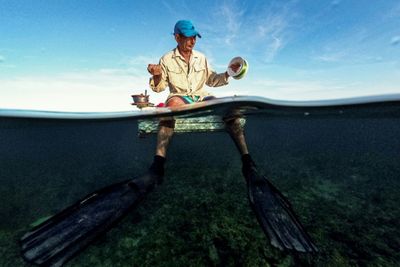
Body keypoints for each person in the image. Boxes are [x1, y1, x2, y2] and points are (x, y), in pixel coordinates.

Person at [146, 20, 254, 178]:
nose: (193, 41)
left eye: (195, 37)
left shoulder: (201, 58)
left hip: (201, 96)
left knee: (228, 108)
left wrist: (228, 73)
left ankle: (247, 160)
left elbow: (211, 79)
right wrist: (157, 75)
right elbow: (159, 87)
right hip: (180, 97)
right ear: (177, 37)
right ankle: (158, 164)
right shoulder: (166, 59)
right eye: (189, 37)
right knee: (170, 107)